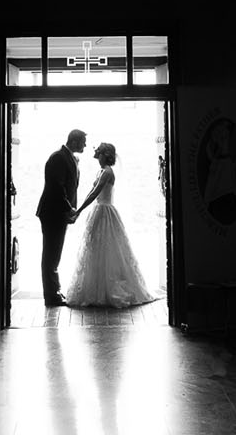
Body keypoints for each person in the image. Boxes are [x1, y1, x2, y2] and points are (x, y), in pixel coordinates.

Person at [64, 142, 156, 308]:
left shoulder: (107, 172)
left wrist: (79, 210)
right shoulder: (101, 171)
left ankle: (106, 291)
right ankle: (96, 289)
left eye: (99, 154)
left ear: (105, 156)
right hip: (98, 211)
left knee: (108, 250)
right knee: (95, 250)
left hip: (105, 212)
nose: (97, 157)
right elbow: (92, 193)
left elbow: (95, 193)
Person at [36, 127, 87, 307]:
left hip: (59, 213)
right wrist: (69, 208)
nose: (85, 146)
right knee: (51, 254)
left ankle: (54, 292)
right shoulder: (58, 157)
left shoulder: (68, 158)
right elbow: (56, 187)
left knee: (54, 254)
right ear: (73, 141)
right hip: (52, 213)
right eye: (83, 142)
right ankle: (51, 296)